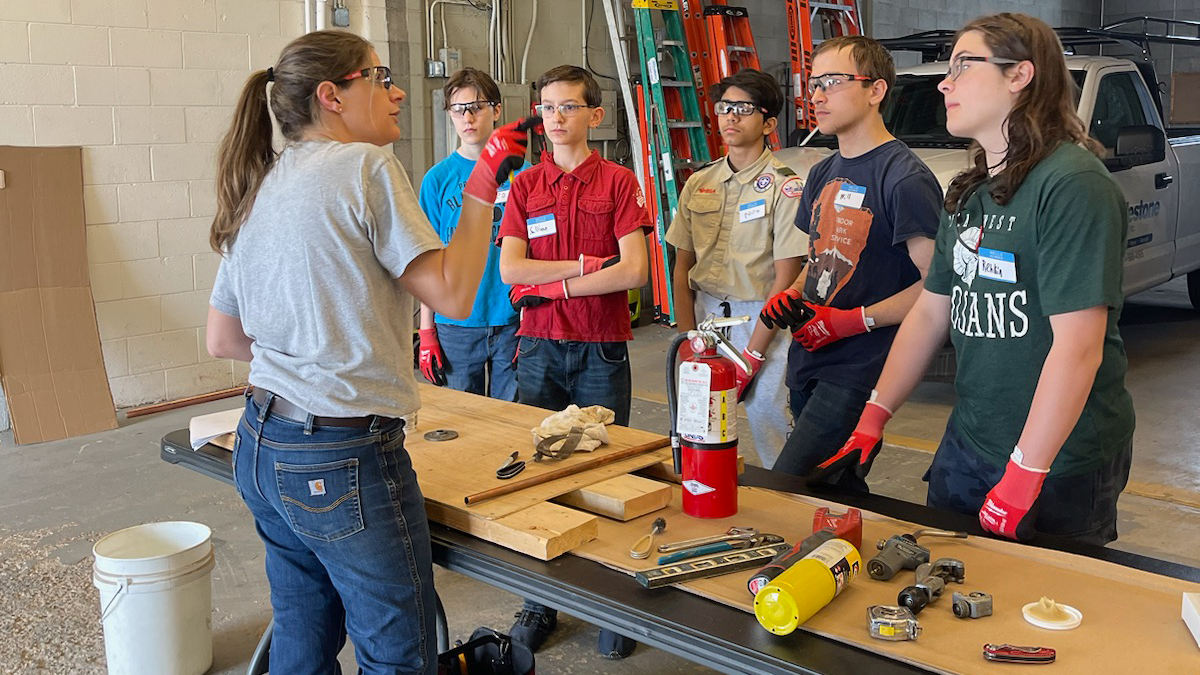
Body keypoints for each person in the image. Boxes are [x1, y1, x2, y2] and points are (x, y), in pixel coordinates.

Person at [205, 31, 531, 675]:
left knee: (302, 631)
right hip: (341, 454)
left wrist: (311, 350)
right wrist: (485, 181)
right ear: (333, 96)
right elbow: (455, 293)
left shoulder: (261, 184)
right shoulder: (366, 168)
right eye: (379, 78)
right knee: (397, 654)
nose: (398, 90)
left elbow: (224, 340)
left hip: (261, 442)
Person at [813, 13, 1135, 545]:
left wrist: (1026, 472)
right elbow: (931, 310)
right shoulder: (973, 191)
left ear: (1020, 76)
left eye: (964, 64)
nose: (945, 80)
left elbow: (1079, 348)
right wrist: (875, 412)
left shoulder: (1071, 184)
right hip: (970, 441)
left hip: (1059, 459)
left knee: (1039, 615)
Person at [497, 65, 650, 658]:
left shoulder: (618, 182)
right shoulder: (525, 185)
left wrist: (555, 287)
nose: (556, 118)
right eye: (547, 108)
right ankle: (541, 601)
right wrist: (589, 268)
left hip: (598, 348)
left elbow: (634, 270)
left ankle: (611, 602)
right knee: (539, 475)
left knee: (606, 474)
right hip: (537, 349)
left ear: (595, 114)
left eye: (568, 107)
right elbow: (512, 271)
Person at [760, 36, 943, 485]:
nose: (816, 95)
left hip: (860, 367)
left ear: (876, 90)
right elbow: (818, 258)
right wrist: (791, 294)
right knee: (836, 489)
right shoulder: (823, 170)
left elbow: (938, 284)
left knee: (791, 484)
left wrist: (853, 321)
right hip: (809, 356)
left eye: (833, 82)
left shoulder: (904, 178)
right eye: (813, 82)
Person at [665, 68, 807, 468]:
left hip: (762, 319)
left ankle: (783, 501)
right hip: (707, 317)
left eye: (743, 109)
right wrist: (684, 337)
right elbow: (682, 267)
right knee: (698, 422)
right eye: (725, 107)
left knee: (768, 416)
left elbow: (785, 278)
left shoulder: (785, 186)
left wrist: (753, 356)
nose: (730, 117)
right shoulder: (700, 182)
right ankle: (703, 490)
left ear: (768, 122)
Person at [417, 68, 529, 399]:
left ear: (496, 110)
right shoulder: (437, 180)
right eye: (458, 109)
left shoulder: (523, 176)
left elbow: (539, 250)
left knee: (511, 420)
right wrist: (427, 331)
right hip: (456, 325)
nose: (468, 118)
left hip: (512, 319)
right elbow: (427, 260)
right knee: (463, 423)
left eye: (477, 107)